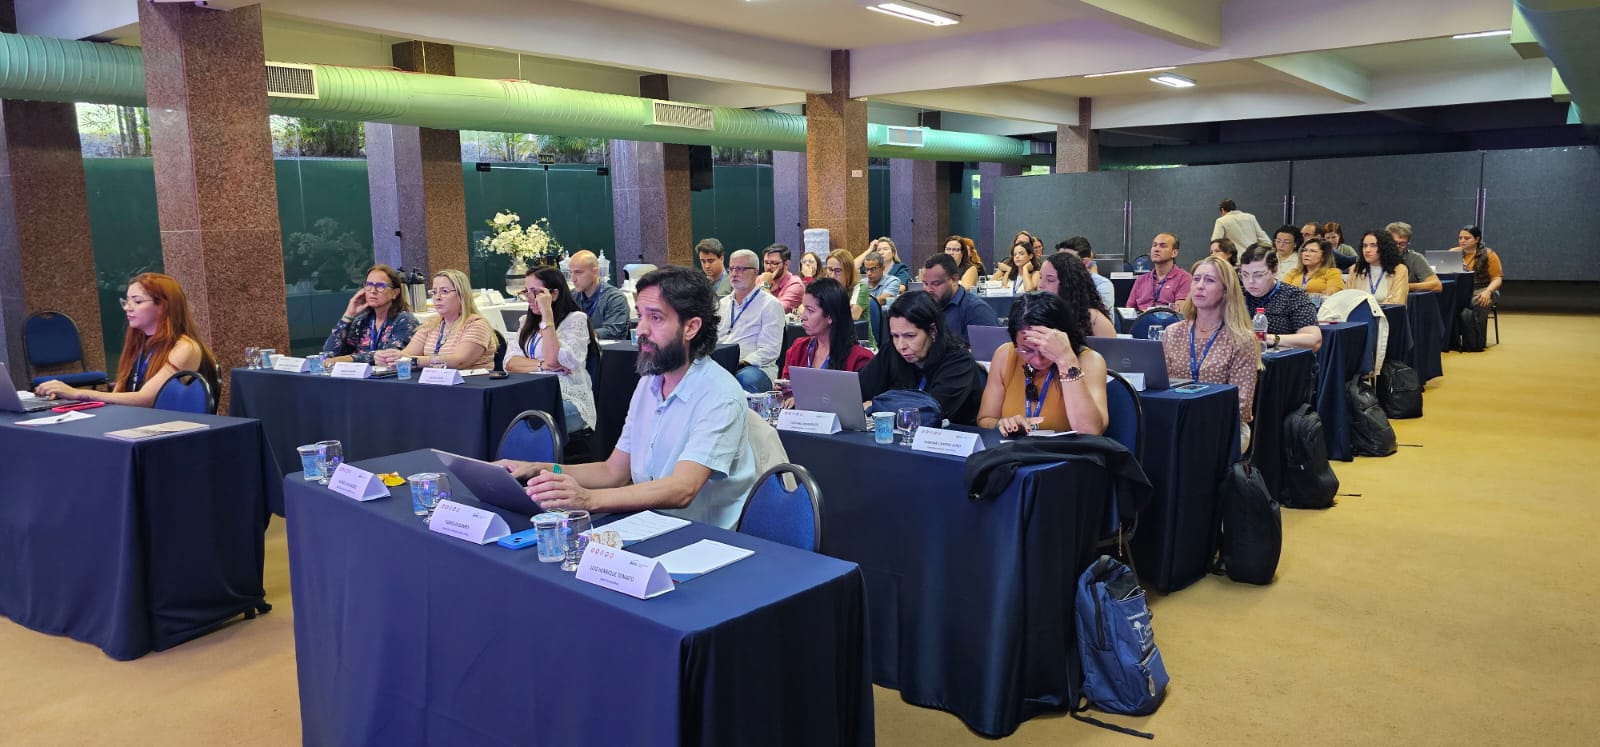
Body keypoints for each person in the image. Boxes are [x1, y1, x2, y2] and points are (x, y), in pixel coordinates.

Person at [500, 266, 758, 529]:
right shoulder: (650, 382)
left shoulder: (719, 393)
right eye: (640, 316)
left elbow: (683, 489)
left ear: (691, 327)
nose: (641, 329)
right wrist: (542, 469)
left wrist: (587, 499)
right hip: (653, 523)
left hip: (706, 535)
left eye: (655, 318)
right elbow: (613, 472)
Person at [36, 272, 219, 406]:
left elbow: (146, 399)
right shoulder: (141, 343)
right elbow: (121, 393)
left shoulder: (185, 347)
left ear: (163, 307)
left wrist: (78, 394)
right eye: (127, 301)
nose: (127, 308)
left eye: (137, 302)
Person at [1160, 256, 1263, 451]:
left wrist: (1196, 419)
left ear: (1226, 291)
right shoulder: (1173, 332)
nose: (1199, 286)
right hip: (1177, 418)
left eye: (1209, 280)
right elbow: (1160, 385)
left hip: (1222, 424)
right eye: (1196, 279)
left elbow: (1241, 405)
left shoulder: (1241, 339)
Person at [976, 291, 1108, 437]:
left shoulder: (1089, 361)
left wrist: (1065, 359)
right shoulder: (1005, 356)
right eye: (1027, 350)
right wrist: (1003, 424)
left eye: (1046, 349)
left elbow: (1090, 431)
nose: (1038, 360)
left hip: (1067, 450)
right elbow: (984, 420)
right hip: (1017, 449)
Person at [857, 290, 985, 425]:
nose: (901, 346)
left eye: (910, 336)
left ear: (932, 331)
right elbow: (859, 391)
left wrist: (876, 405)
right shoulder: (891, 351)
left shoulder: (959, 362)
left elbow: (929, 412)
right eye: (895, 336)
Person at [503, 267, 598, 433]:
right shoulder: (526, 322)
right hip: (531, 393)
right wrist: (543, 365)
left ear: (554, 294)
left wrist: (547, 314)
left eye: (536, 292)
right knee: (505, 414)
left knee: (531, 420)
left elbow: (553, 358)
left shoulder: (575, 319)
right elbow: (510, 363)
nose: (529, 298)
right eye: (526, 292)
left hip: (568, 399)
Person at [376, 269, 497, 369]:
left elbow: (460, 361)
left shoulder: (476, 325)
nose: (437, 297)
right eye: (434, 292)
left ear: (462, 295)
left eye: (444, 291)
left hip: (471, 385)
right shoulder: (431, 323)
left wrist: (414, 361)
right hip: (438, 384)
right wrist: (390, 357)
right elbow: (407, 354)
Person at [321, 264, 420, 365]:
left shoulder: (405, 321)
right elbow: (329, 354)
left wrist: (349, 359)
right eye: (369, 285)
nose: (373, 291)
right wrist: (348, 315)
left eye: (380, 286)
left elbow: (388, 356)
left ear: (395, 293)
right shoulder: (361, 321)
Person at [718, 249, 786, 393]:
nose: (734, 273)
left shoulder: (770, 305)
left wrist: (740, 363)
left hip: (755, 368)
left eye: (740, 269)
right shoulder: (722, 305)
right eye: (731, 269)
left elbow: (769, 350)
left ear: (755, 272)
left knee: (745, 380)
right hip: (721, 364)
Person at [780, 278, 874, 379]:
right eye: (804, 309)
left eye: (810, 310)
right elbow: (786, 385)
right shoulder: (799, 348)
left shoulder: (860, 359)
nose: (803, 317)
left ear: (830, 316)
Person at [1236, 244, 1322, 352]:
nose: (1250, 282)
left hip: (1281, 359)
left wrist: (1268, 338)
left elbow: (1314, 341)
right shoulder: (1238, 295)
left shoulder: (1293, 296)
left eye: (1258, 275)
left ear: (1275, 270)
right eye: (1245, 275)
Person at [921, 253, 1000, 342]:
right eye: (925, 284)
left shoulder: (977, 311)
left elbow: (988, 348)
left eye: (935, 283)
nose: (928, 289)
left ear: (954, 279)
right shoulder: (925, 306)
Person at [1040, 252, 1118, 337]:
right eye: (1040, 277)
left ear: (1069, 284)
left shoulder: (1094, 319)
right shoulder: (1040, 313)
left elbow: (1112, 345)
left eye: (1050, 280)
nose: (1040, 285)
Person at [569, 250, 631, 339]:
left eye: (578, 272)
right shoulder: (572, 296)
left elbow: (612, 331)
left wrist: (580, 336)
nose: (573, 279)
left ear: (595, 272)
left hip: (608, 347)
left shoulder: (615, 298)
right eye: (571, 273)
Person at [823, 248, 877, 348]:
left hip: (861, 344)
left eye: (838, 271)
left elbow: (853, 315)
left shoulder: (860, 287)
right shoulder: (825, 288)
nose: (832, 275)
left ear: (848, 272)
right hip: (834, 342)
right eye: (830, 269)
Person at [1127, 232, 1191, 311]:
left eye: (1163, 246)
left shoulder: (1184, 278)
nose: (1156, 249)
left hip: (1168, 318)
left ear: (1174, 253)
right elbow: (1129, 310)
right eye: (1154, 245)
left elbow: (1180, 311)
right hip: (1141, 317)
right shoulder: (1141, 280)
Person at [1347, 230, 1411, 306]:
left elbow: (1397, 302)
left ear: (1384, 248)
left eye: (1373, 245)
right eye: (1365, 246)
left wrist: (1374, 311)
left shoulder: (1400, 270)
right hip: (1359, 313)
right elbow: (1346, 298)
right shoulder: (1355, 269)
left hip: (1387, 313)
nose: (1367, 250)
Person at [1061, 236, 1115, 312]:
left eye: (1067, 260)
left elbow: (1097, 315)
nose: (1060, 264)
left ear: (1085, 262)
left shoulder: (1102, 285)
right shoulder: (1056, 280)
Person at [1454, 225, 1503, 308]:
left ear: (1477, 239)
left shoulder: (1489, 254)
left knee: (1479, 301)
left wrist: (1488, 291)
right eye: (1460, 238)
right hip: (1460, 290)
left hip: (1483, 288)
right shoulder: (1453, 253)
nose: (1462, 241)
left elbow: (1497, 279)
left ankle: (1470, 316)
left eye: (1467, 238)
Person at [1385, 221, 1442, 293]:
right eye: (1394, 243)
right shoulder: (1377, 257)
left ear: (1408, 243)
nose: (1397, 247)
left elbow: (1437, 286)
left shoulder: (1415, 258)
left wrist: (1405, 286)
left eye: (1402, 244)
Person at [760, 243, 806, 313]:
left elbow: (775, 311)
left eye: (774, 263)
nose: (768, 267)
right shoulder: (759, 279)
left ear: (786, 264)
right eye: (766, 262)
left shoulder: (795, 285)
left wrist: (765, 285)